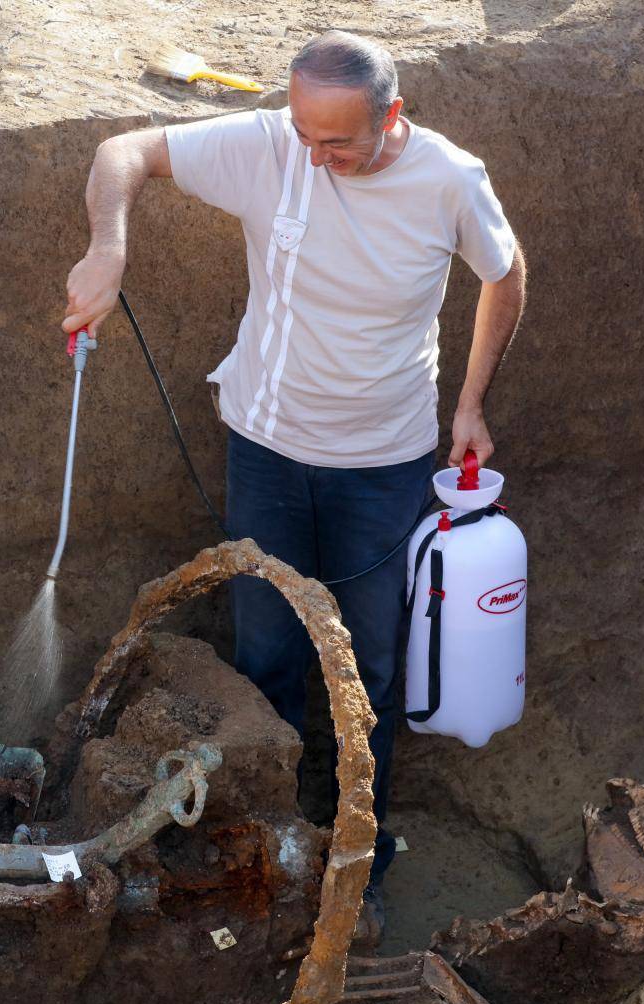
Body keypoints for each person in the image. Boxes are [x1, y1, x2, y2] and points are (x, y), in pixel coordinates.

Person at [62, 30, 526, 945]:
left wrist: (472, 402)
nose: (314, 157)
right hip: (266, 454)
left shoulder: (448, 179)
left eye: (338, 143)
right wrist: (106, 248)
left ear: (391, 117)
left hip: (385, 467)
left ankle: (359, 866)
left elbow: (504, 278)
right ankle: (266, 863)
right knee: (266, 664)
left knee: (370, 677)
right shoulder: (275, 143)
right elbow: (124, 153)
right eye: (304, 135)